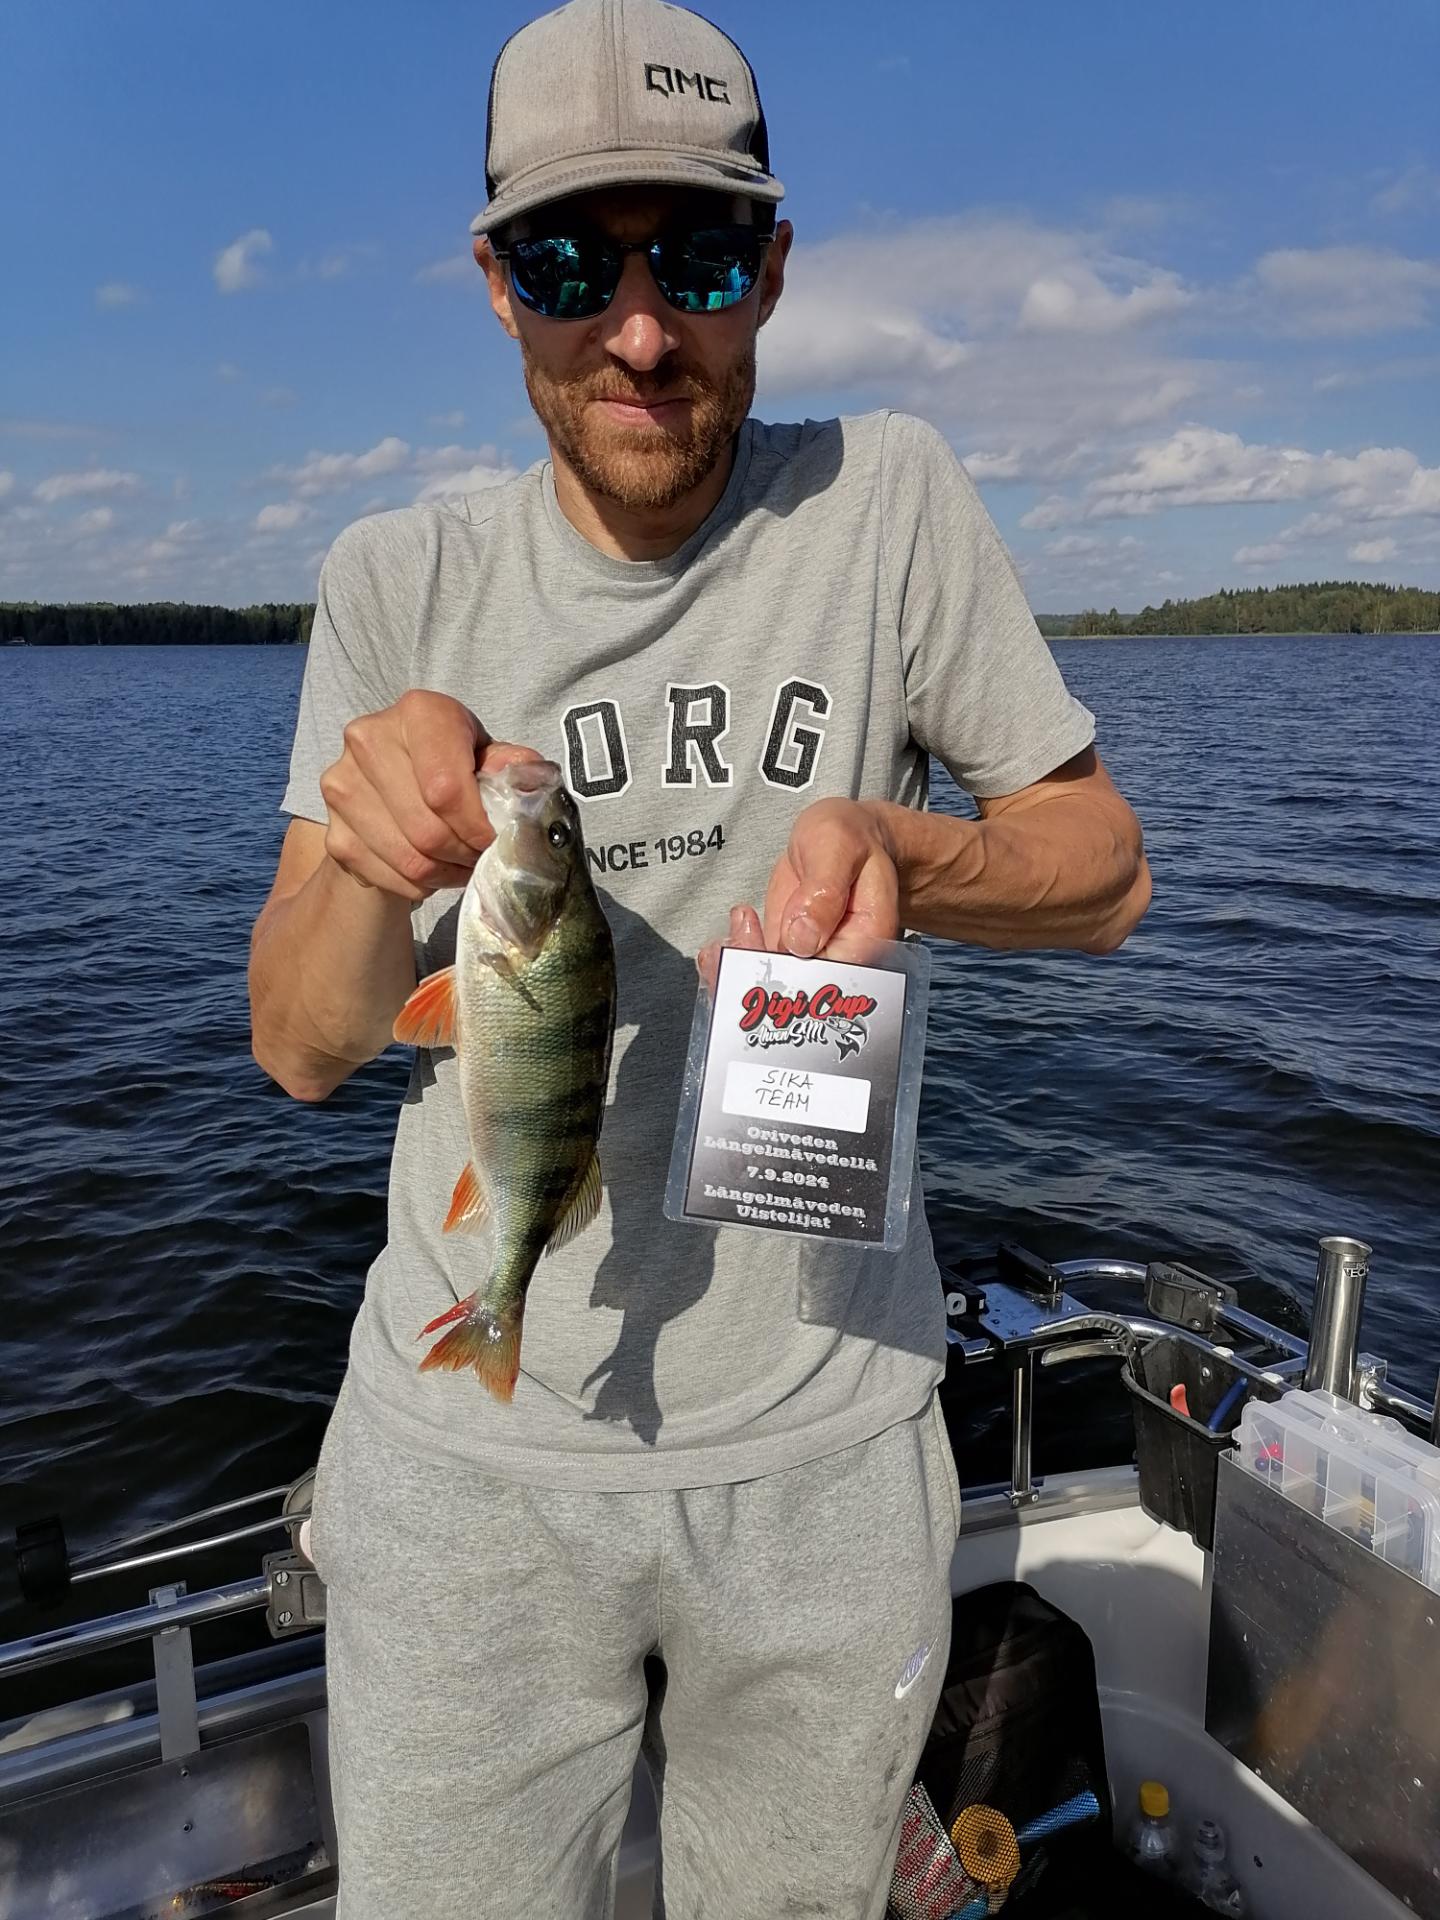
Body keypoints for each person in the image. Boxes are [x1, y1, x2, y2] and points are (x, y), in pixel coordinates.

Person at [248, 1, 1151, 1914]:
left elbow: (1106, 873)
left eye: (704, 261)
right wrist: (366, 862)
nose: (645, 333)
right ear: (499, 286)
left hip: (831, 1453)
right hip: (465, 1478)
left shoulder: (888, 503)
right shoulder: (393, 580)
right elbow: (306, 1047)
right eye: (576, 266)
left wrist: (912, 850)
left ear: (776, 270)